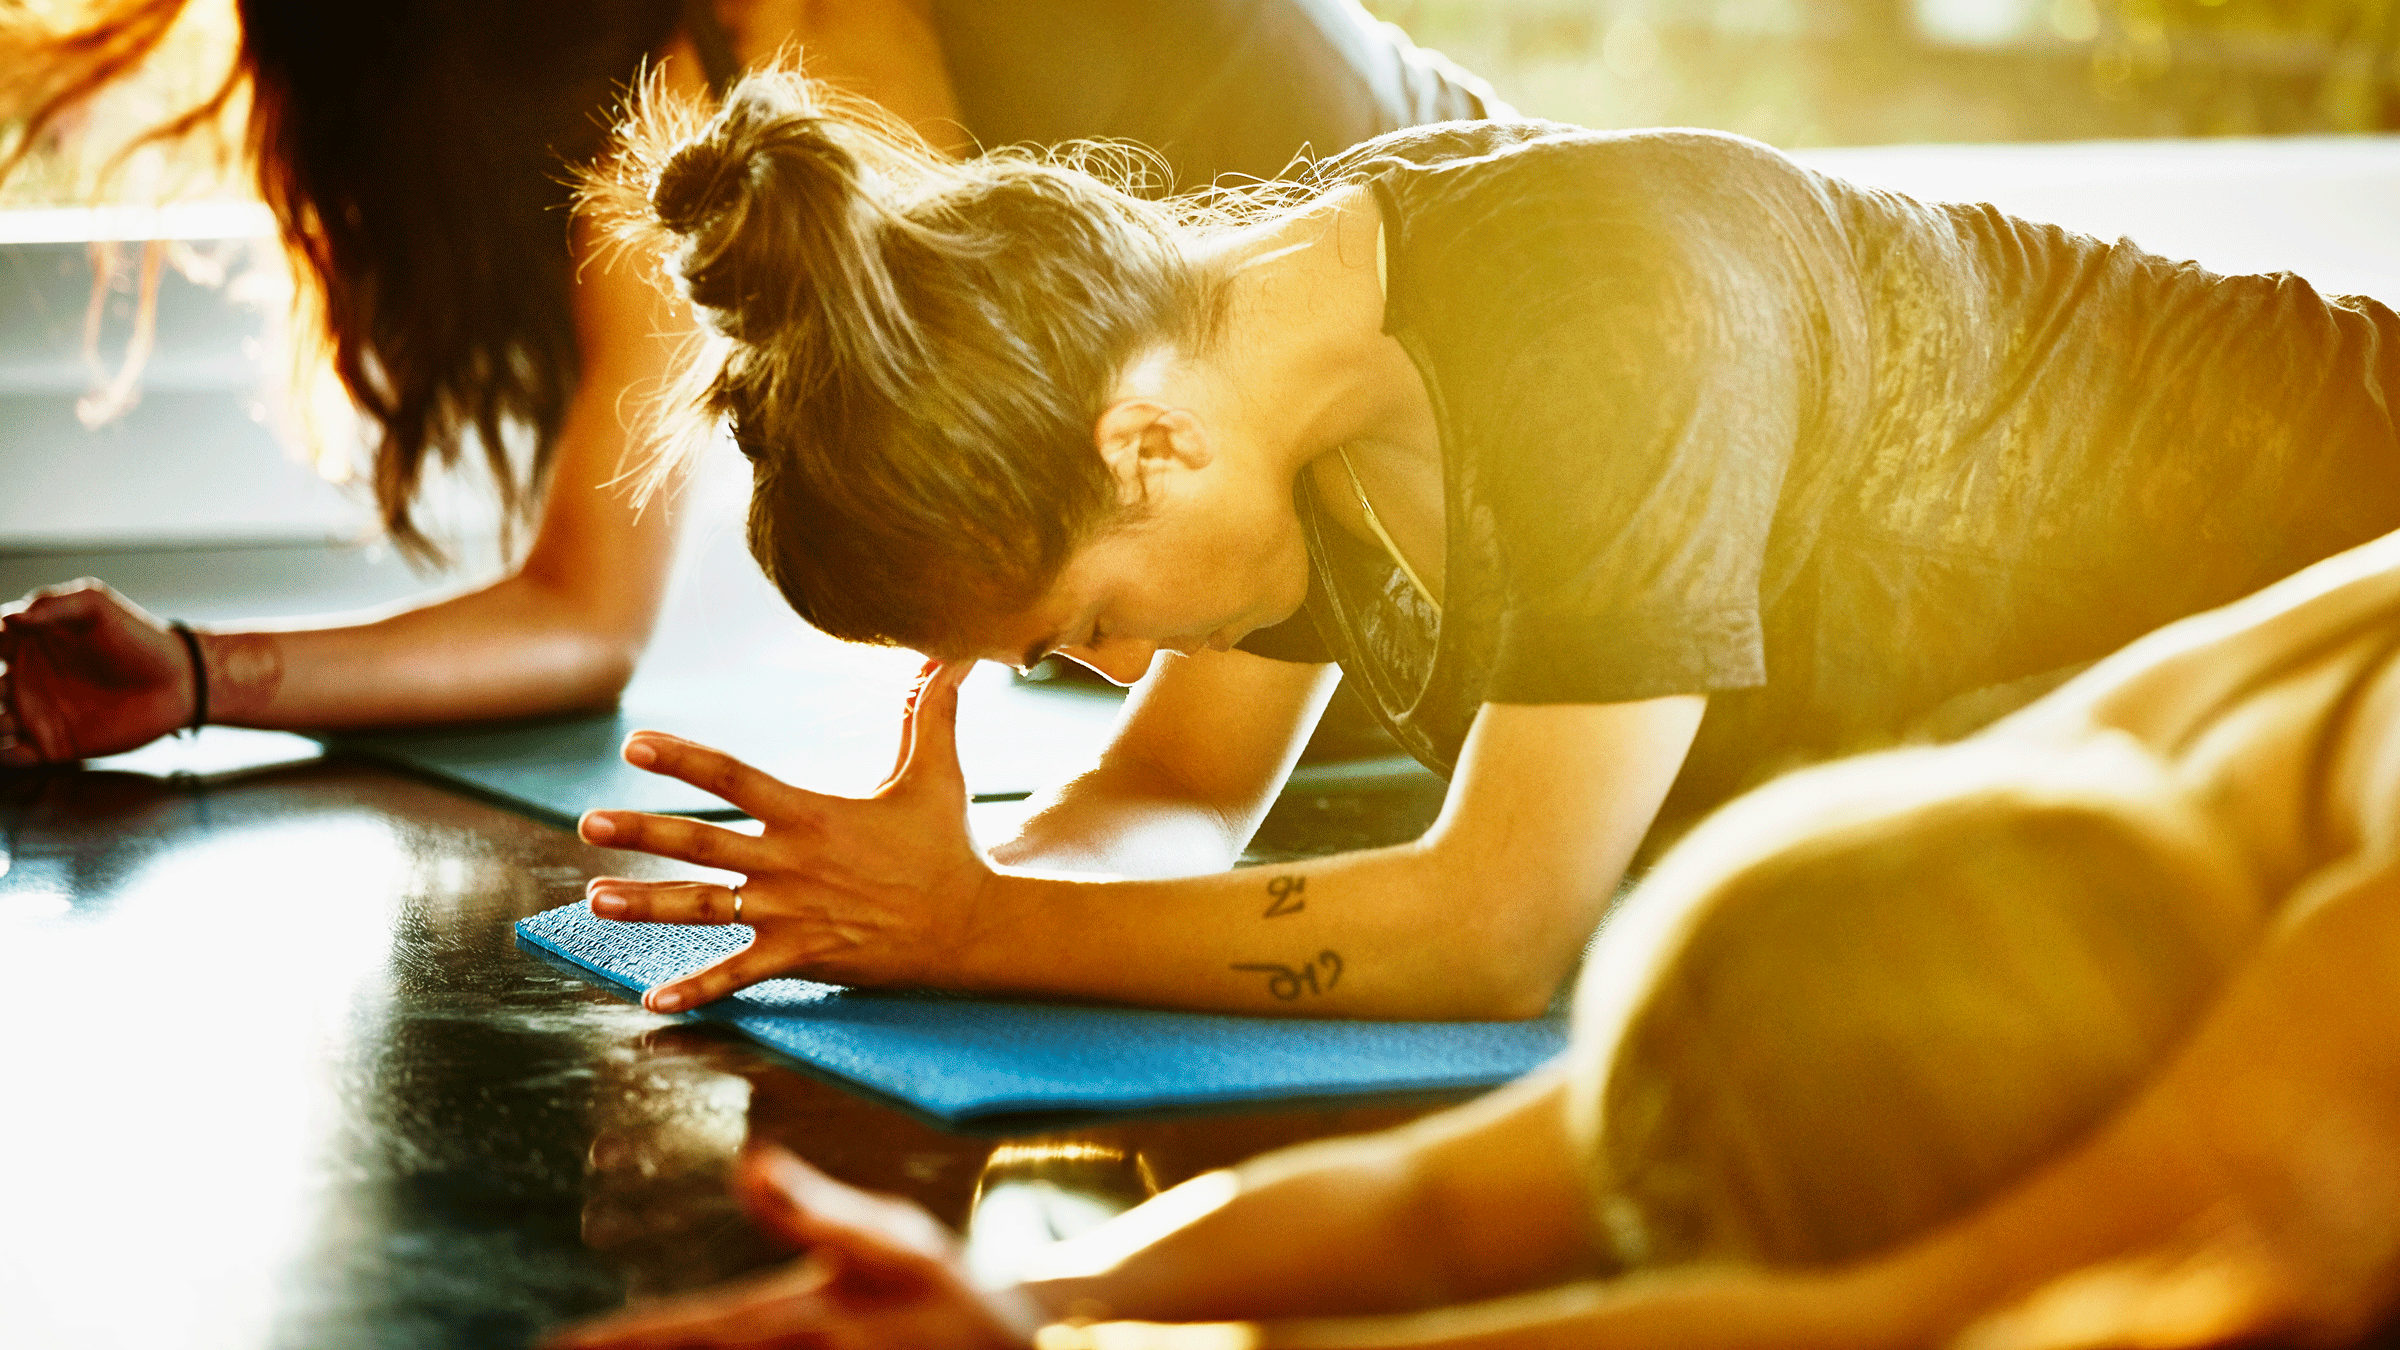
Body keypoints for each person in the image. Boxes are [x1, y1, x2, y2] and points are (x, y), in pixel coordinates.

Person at [564, 68, 2400, 1019]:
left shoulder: (1610, 321)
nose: (1117, 668)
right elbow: (1172, 796)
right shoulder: (1265, 396)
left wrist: (973, 936)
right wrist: (922, 885)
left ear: (1149, 450)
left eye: (1090, 615)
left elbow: (1500, 925)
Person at [541, 526, 2400, 1350]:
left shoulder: (2336, 1002)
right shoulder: (2084, 772)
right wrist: (1041, 1298)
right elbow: (1440, 1206)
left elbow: (1895, 1309)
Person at [0, 0, 1505, 763]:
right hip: (1304, 675)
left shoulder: (1120, 44)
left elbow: (1264, 587)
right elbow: (579, 610)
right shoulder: (698, 114)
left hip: (1519, 545)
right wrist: (199, 676)